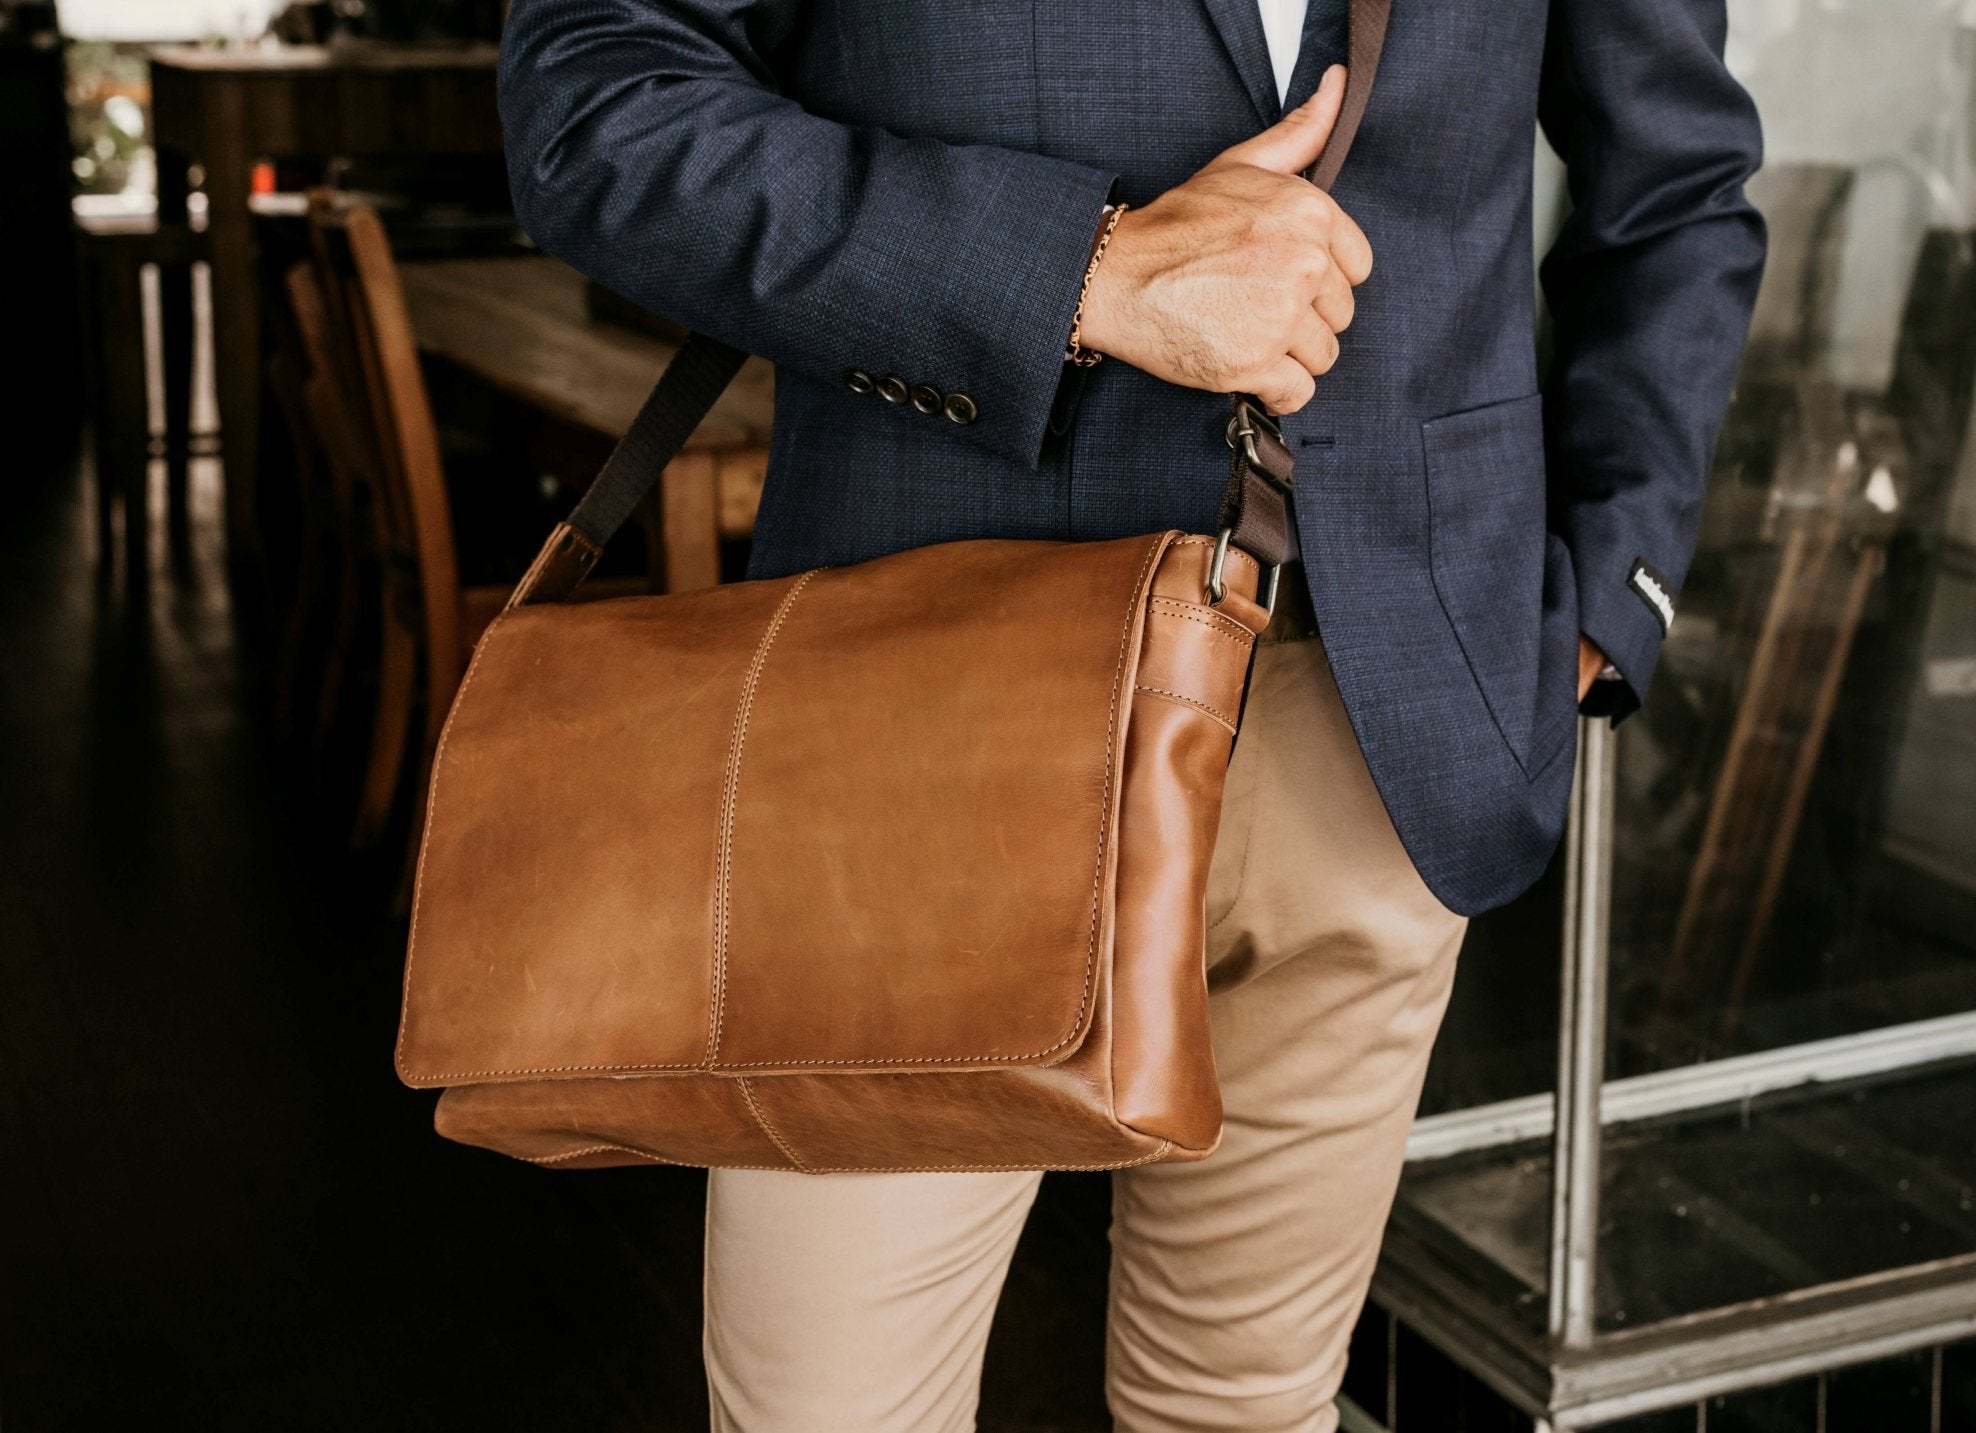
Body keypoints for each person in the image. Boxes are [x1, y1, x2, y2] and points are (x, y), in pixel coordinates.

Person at [496, 0, 1765, 1426]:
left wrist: (1606, 595)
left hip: (1388, 724)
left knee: (1255, 1406)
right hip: (919, 750)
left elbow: (1679, 184)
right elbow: (598, 100)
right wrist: (1087, 273)